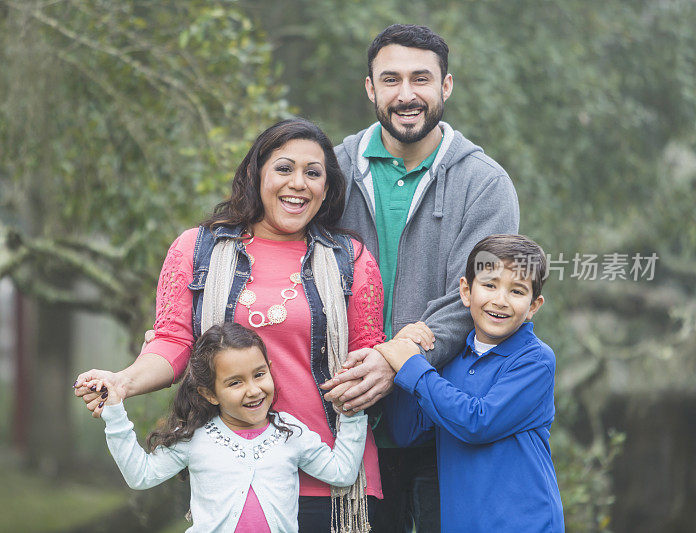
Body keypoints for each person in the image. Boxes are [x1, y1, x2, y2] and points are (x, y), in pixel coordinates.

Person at [74, 118, 385, 531]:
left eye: (313, 173)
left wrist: (399, 352)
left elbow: (370, 360)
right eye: (284, 168)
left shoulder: (351, 259)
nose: (299, 183)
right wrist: (123, 383)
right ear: (257, 174)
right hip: (232, 473)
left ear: (326, 189)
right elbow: (173, 342)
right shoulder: (198, 249)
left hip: (331, 476)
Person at [321, 23, 521, 532]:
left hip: (444, 425)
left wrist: (395, 360)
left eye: (420, 79)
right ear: (370, 88)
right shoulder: (331, 171)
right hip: (341, 425)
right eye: (390, 79)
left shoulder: (484, 183)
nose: (406, 94)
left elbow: (476, 297)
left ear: (445, 86)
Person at [88, 323, 368, 533]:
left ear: (270, 369)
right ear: (210, 394)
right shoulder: (196, 438)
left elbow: (342, 472)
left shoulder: (289, 432)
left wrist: (352, 413)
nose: (253, 390)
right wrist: (114, 413)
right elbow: (141, 476)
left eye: (259, 375)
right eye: (235, 382)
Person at [373, 234, 564, 532]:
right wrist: (408, 346)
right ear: (466, 291)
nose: (500, 300)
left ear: (533, 305)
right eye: (489, 285)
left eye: (516, 291)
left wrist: (412, 366)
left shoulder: (535, 360)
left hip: (526, 523)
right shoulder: (450, 361)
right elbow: (405, 431)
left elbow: (478, 422)